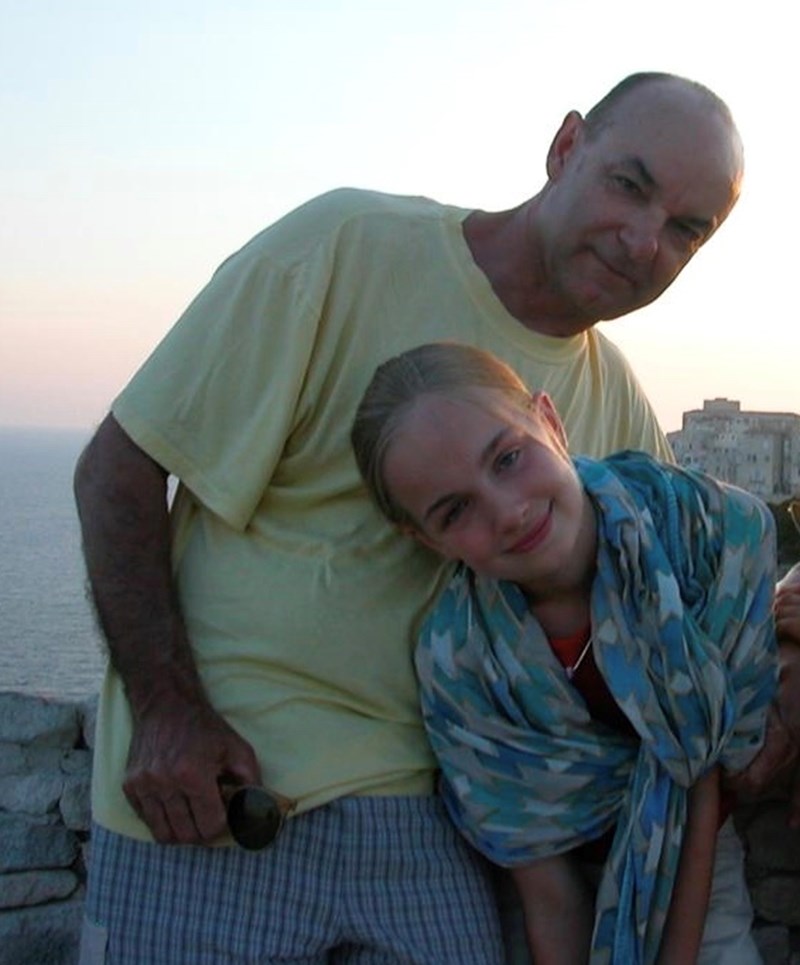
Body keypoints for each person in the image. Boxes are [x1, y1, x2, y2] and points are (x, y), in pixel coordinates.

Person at [74, 72, 749, 963]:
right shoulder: (346, 246)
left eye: (686, 229)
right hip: (221, 801)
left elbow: (693, 595)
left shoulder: (613, 397)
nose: (642, 240)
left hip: (438, 827)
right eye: (630, 184)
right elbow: (119, 467)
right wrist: (166, 712)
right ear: (565, 148)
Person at [350, 340, 778, 964]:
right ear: (425, 539)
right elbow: (546, 889)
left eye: (508, 459)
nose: (508, 512)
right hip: (563, 890)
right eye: (456, 510)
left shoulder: (705, 537)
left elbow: (701, 768)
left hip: (709, 868)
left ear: (549, 421)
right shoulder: (462, 666)